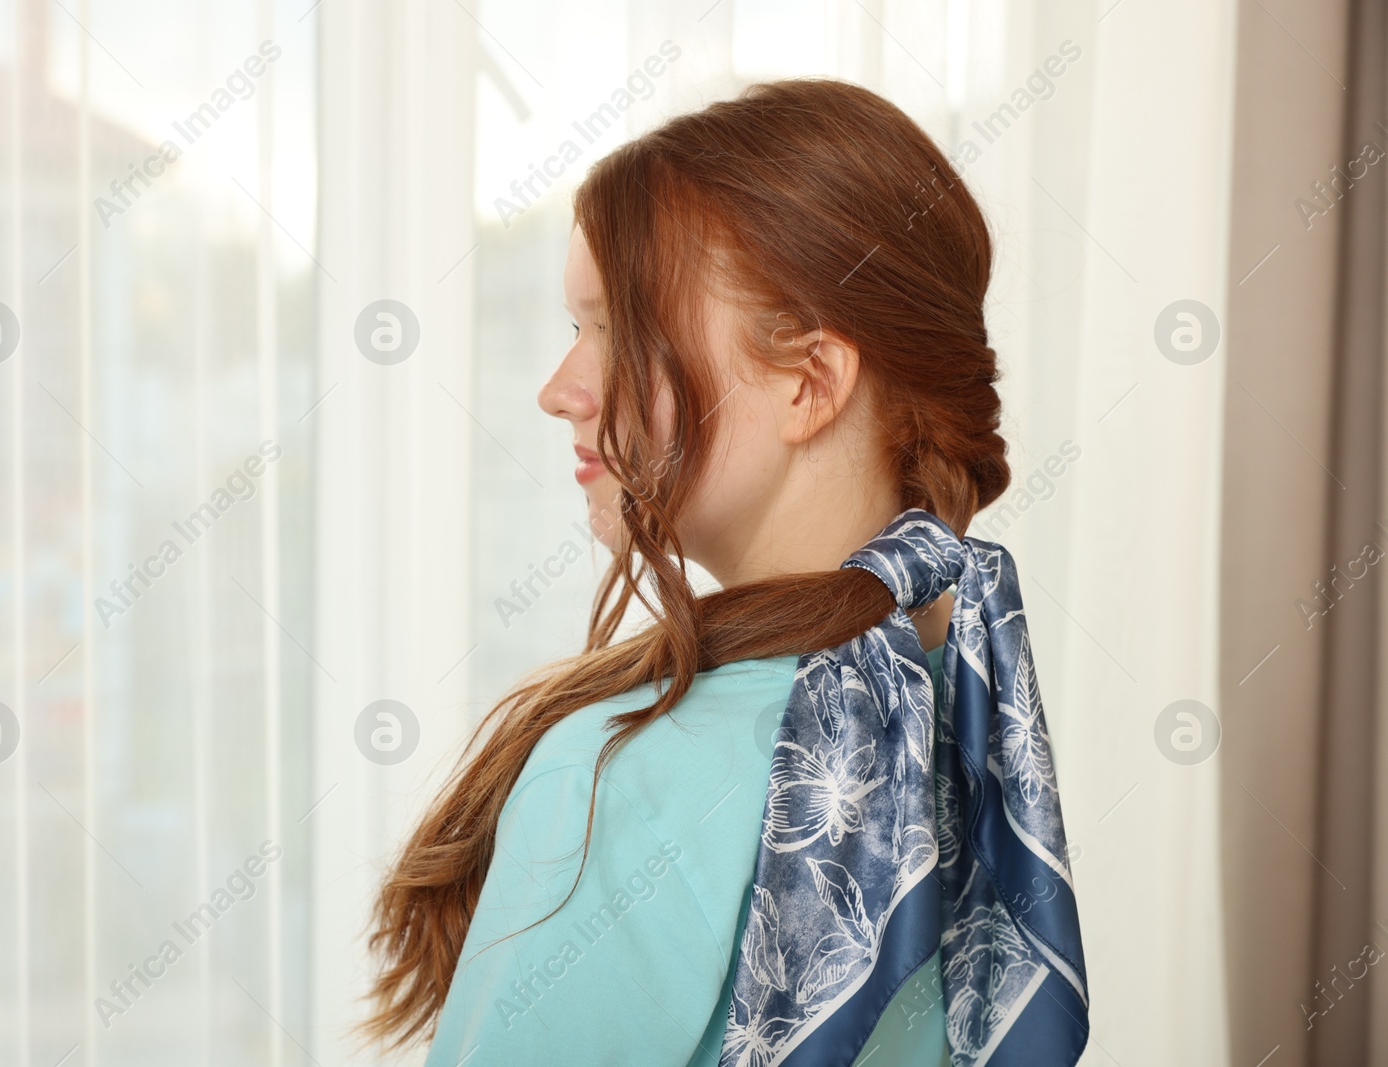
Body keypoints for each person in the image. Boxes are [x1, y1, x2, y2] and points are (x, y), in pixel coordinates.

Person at [362, 79, 1087, 1066]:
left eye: (617, 327)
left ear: (808, 380)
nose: (560, 390)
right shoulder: (963, 712)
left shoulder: (626, 775)